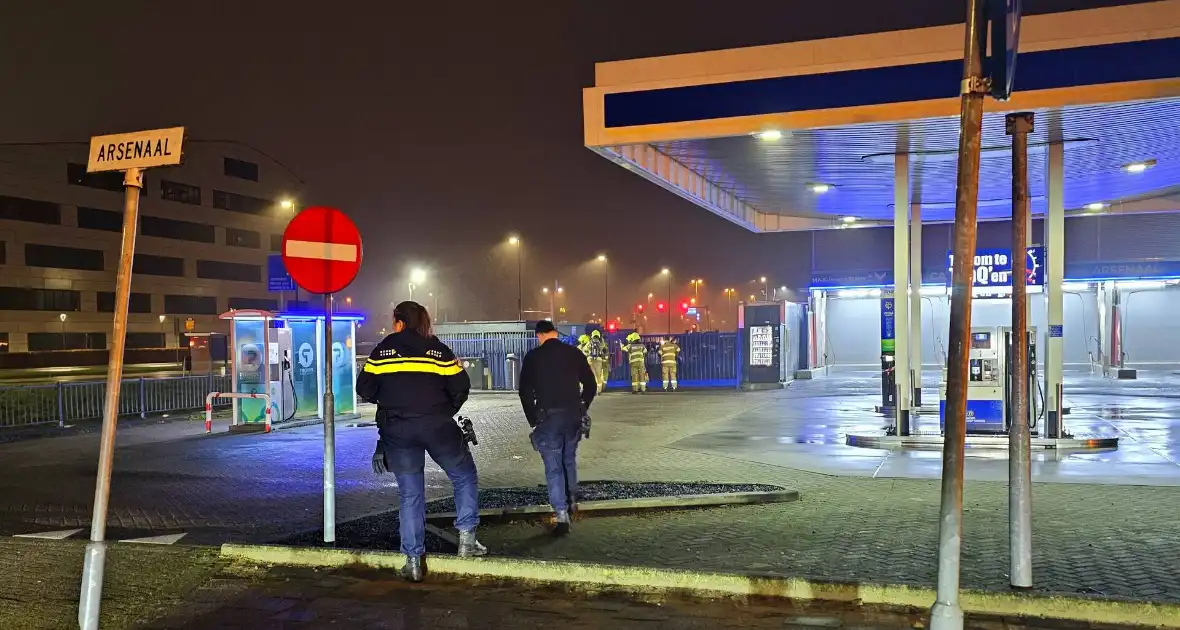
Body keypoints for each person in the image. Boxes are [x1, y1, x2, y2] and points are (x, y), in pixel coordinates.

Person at [356, 301, 486, 582]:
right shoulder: (437, 349)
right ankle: (467, 541)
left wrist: (390, 400)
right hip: (437, 425)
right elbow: (461, 386)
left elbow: (364, 388)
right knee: (463, 475)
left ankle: (413, 561)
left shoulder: (384, 350)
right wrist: (446, 410)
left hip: (398, 429)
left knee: (410, 494)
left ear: (398, 321)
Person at [518, 320, 597, 535]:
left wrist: (533, 418)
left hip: (548, 418)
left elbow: (524, 391)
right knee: (568, 459)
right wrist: (582, 406)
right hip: (572, 417)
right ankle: (572, 501)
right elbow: (591, 385)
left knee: (553, 467)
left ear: (539, 335)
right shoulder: (574, 353)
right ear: (555, 333)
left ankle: (562, 517)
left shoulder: (533, 357)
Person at [589, 329, 609, 393]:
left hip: (591, 360)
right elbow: (605, 349)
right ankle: (599, 391)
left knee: (592, 375)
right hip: (599, 360)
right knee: (598, 376)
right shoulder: (601, 343)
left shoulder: (590, 342)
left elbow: (585, 349)